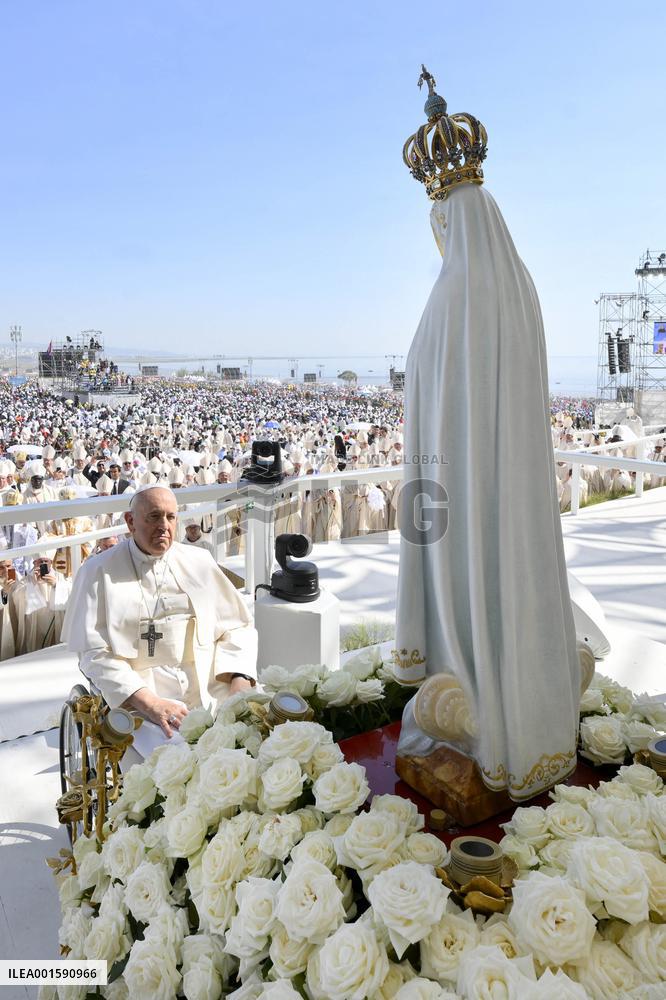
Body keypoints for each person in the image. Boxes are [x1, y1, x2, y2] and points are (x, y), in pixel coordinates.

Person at [395, 71, 580, 801]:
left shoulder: (453, 295)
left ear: (449, 216)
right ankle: (530, 732)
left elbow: (432, 402)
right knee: (514, 580)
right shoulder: (519, 285)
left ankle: (478, 727)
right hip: (513, 482)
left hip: (456, 491)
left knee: (471, 590)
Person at [63, 485, 257, 747]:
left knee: (256, 736)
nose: (164, 525)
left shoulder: (200, 561)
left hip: (213, 682)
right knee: (176, 761)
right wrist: (150, 702)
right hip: (140, 697)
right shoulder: (98, 571)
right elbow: (94, 653)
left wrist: (239, 680)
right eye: (154, 516)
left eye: (171, 517)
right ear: (130, 521)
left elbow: (238, 626)